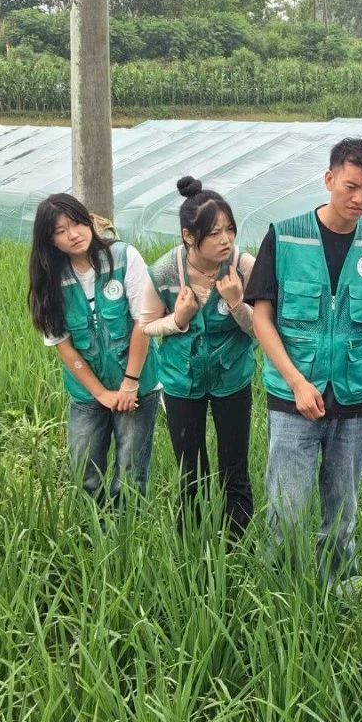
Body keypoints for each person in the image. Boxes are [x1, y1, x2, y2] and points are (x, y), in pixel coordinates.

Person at [244, 138, 362, 582]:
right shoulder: (284, 236)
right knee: (286, 510)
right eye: (351, 186)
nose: (359, 199)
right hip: (293, 396)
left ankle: (338, 595)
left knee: (343, 512)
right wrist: (296, 381)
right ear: (329, 179)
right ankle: (280, 598)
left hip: (353, 399)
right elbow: (262, 318)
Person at [27, 193, 159, 511]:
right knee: (85, 471)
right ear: (50, 241)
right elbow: (63, 345)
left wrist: (129, 383)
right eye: (60, 231)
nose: (73, 234)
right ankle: (91, 540)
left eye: (76, 223)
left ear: (88, 221)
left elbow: (144, 321)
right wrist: (100, 393)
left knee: (129, 476)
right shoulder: (51, 280)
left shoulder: (124, 257)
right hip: (87, 394)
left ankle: (126, 540)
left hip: (137, 386)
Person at [142, 177, 256, 538]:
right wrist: (178, 320)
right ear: (189, 236)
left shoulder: (243, 266)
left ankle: (238, 549)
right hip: (181, 380)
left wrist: (238, 302)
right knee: (190, 470)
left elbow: (261, 329)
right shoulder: (164, 271)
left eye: (230, 230)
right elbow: (146, 326)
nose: (226, 240)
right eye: (215, 233)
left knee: (234, 468)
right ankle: (191, 548)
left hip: (232, 376)